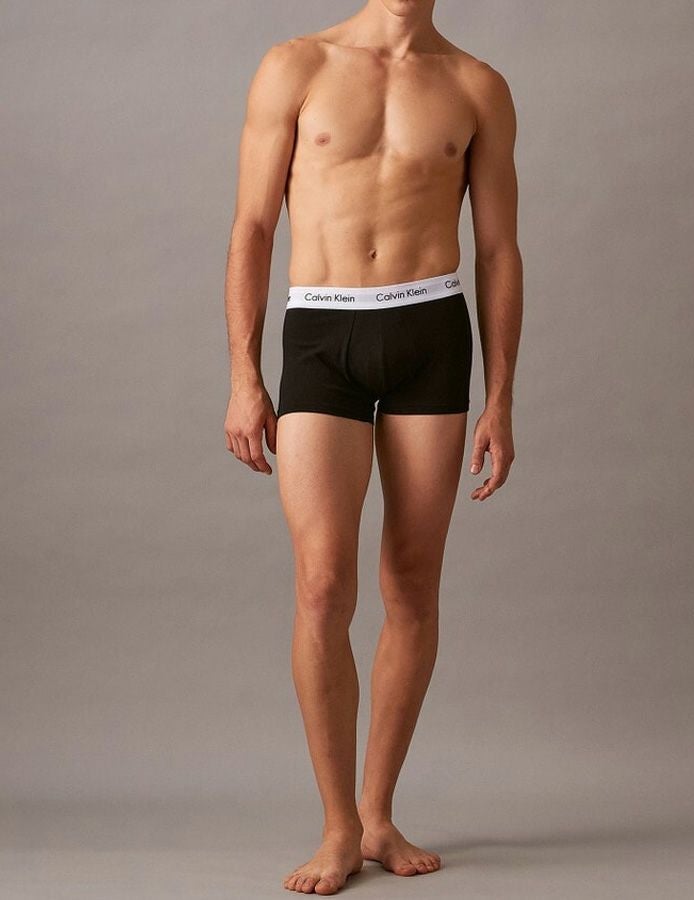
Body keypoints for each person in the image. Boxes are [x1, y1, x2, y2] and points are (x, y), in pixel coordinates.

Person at [223, 0, 522, 894]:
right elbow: (252, 227)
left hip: (432, 329)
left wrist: (501, 397)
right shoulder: (295, 65)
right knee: (323, 585)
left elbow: (499, 250)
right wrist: (243, 375)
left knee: (413, 585)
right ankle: (336, 826)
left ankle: (379, 813)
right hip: (323, 331)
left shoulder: (477, 85)